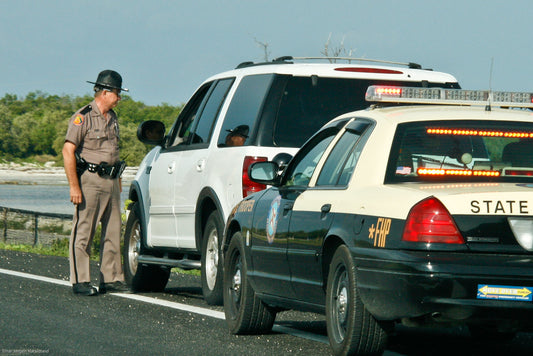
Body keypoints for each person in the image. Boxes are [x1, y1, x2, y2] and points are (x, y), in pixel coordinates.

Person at [62, 70, 131, 296]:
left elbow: (114, 152)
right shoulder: (83, 116)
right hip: (90, 181)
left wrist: (118, 182)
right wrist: (74, 187)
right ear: (105, 92)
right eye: (117, 93)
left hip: (111, 182)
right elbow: (68, 150)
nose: (119, 97)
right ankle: (80, 280)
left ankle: (110, 278)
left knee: (112, 231)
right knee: (84, 232)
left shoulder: (113, 118)